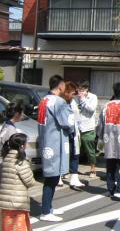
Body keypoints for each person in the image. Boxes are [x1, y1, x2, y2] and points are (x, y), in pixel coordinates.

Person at [38, 75, 75, 222]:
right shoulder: (58, 101)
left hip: (46, 140)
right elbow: (67, 122)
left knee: (51, 177)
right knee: (51, 178)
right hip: (54, 142)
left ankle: (49, 207)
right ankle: (45, 211)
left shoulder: (44, 99)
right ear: (60, 86)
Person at [0, 133, 36, 231]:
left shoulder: (5, 159)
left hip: (5, 203)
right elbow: (30, 182)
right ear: (21, 146)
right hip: (17, 203)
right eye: (26, 143)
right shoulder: (20, 162)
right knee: (19, 228)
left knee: (7, 228)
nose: (27, 145)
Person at [62, 81, 85, 191]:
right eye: (71, 92)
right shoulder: (60, 103)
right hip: (64, 132)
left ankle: (74, 178)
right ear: (66, 92)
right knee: (63, 154)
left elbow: (77, 117)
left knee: (75, 154)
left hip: (74, 131)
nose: (73, 95)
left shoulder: (73, 102)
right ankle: (59, 177)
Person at [76, 81, 98, 179]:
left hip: (88, 127)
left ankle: (93, 169)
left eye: (82, 89)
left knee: (90, 150)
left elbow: (91, 109)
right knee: (75, 150)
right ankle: (73, 170)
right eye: (79, 89)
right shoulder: (76, 97)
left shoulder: (93, 97)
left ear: (86, 89)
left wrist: (83, 99)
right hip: (76, 127)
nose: (79, 91)